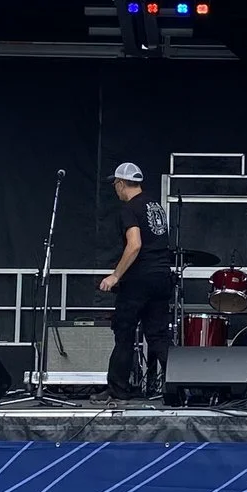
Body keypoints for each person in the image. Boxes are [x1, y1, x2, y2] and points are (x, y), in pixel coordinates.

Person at [99, 160, 175, 398]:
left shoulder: (129, 209)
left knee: (124, 332)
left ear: (122, 184)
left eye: (115, 185)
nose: (115, 189)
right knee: (159, 335)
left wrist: (115, 275)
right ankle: (183, 386)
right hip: (162, 277)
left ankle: (117, 390)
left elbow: (135, 245)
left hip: (139, 279)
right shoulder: (156, 206)